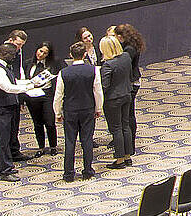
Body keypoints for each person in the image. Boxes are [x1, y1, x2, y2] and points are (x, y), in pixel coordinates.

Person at [58, 34, 100, 182]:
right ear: (84, 55)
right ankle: (87, 170)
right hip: (88, 108)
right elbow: (97, 91)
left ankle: (68, 173)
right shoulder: (93, 70)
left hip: (70, 110)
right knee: (87, 140)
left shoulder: (63, 73)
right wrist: (98, 108)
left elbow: (59, 95)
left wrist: (57, 112)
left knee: (70, 142)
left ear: (70, 55)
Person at [0, 34, 27, 180]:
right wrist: (26, 89)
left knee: (7, 137)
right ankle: (4, 170)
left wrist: (29, 84)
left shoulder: (5, 67)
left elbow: (14, 81)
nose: (15, 57)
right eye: (13, 55)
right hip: (1, 108)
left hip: (8, 105)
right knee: (2, 140)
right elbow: (8, 87)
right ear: (5, 55)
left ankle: (2, 166)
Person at [100, 30, 138, 168]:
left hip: (113, 100)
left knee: (116, 129)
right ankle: (128, 156)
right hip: (126, 94)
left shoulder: (108, 65)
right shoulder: (126, 57)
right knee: (125, 125)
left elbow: (104, 86)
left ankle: (120, 159)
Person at [23, 41, 60, 156]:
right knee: (37, 123)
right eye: (40, 51)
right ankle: (41, 147)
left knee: (49, 122)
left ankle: (53, 146)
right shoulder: (28, 63)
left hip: (47, 95)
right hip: (32, 97)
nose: (41, 54)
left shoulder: (53, 64)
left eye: (45, 53)